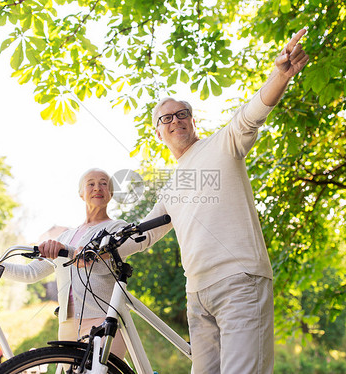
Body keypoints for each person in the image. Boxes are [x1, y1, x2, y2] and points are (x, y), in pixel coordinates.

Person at [118, 29, 310, 373]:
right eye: (166, 118)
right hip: (198, 295)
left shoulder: (222, 144)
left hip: (240, 282)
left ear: (193, 120)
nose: (175, 120)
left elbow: (251, 113)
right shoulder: (173, 183)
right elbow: (144, 232)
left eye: (182, 114)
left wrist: (280, 75)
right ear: (158, 133)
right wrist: (98, 248)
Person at [0, 168, 145, 358]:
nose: (97, 188)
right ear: (81, 193)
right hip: (67, 324)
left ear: (110, 193)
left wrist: (67, 250)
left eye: (103, 183)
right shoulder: (66, 235)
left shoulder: (117, 228)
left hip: (104, 318)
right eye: (90, 184)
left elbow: (102, 265)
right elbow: (30, 273)